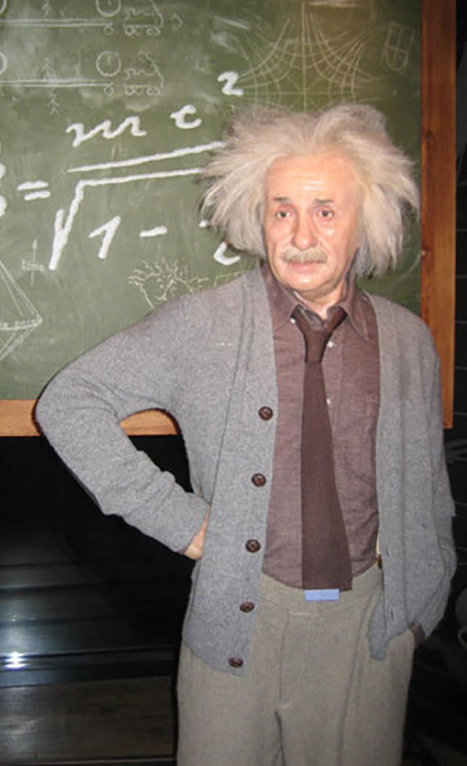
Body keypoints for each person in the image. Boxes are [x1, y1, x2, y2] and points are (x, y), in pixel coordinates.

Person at [36, 104, 456, 766]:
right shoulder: (203, 325)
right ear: (258, 217)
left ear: (365, 220)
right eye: (282, 211)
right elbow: (69, 401)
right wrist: (181, 520)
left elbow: (429, 486)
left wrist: (420, 603)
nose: (301, 235)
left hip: (367, 631)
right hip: (237, 622)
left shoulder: (407, 340)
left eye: (326, 211)